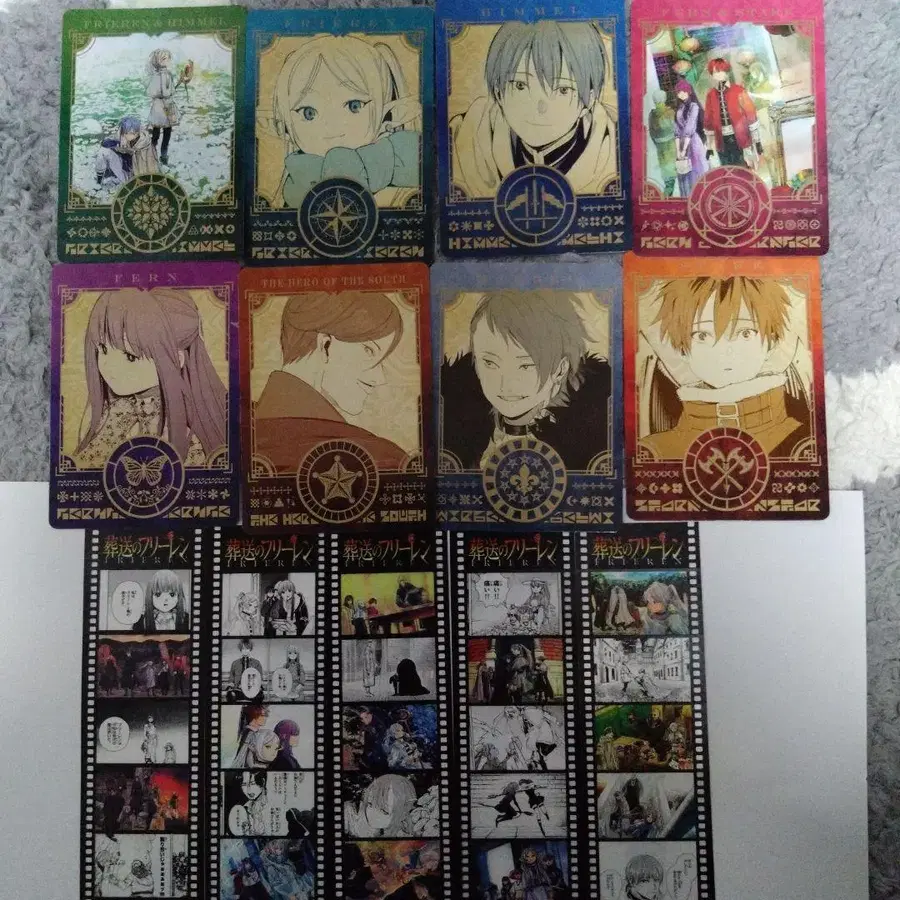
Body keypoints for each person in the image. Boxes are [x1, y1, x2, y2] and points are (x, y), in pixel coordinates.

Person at [639, 276, 811, 460]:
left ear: (772, 342)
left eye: (745, 333)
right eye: (702, 335)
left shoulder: (803, 443)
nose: (724, 351)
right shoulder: (653, 451)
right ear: (681, 349)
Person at [441, 290, 610, 471]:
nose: (505, 384)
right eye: (490, 363)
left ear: (560, 369)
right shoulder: (454, 431)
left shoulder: (595, 439)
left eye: (526, 365)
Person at [451, 21, 616, 198]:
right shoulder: (465, 133)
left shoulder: (613, 144)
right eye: (520, 85)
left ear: (588, 101)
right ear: (498, 92)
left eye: (562, 90)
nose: (540, 108)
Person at [254, 290, 410, 474]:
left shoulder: (236, 435)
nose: (379, 379)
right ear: (325, 345)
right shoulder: (382, 460)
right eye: (369, 351)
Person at [73, 288, 227, 468]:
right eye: (103, 349)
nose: (109, 366)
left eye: (130, 357)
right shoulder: (109, 410)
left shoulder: (184, 431)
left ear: (176, 359)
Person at [272, 35, 421, 209]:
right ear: (286, 126)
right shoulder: (295, 188)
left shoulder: (408, 165)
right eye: (309, 113)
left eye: (354, 106)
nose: (331, 126)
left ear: (389, 116)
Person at [703, 58, 763, 169]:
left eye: (721, 71)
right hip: (722, 141)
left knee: (744, 168)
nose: (719, 75)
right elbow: (708, 121)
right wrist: (709, 147)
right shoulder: (711, 95)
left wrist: (757, 141)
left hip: (741, 138)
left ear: (727, 72)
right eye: (715, 72)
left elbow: (751, 116)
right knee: (727, 170)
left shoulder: (738, 90)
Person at [344, 773, 419, 838]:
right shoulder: (348, 812)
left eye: (384, 811)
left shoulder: (403, 829)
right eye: (370, 804)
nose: (372, 813)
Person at [95, 115, 158, 187]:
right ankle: (99, 181)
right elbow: (106, 143)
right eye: (124, 132)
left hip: (135, 177)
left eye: (127, 133)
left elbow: (152, 169)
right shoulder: (125, 136)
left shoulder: (146, 147)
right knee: (103, 151)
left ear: (136, 133)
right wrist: (118, 144)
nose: (124, 135)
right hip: (125, 168)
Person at [673, 79, 707, 196]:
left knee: (696, 170)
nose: (681, 94)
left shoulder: (694, 106)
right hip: (683, 143)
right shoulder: (679, 108)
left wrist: (683, 150)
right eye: (678, 92)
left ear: (688, 91)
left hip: (693, 143)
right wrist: (679, 151)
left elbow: (690, 128)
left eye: (683, 91)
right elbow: (677, 131)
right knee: (684, 171)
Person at [146, 49, 179, 165]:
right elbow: (163, 92)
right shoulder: (162, 75)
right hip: (163, 107)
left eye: (168, 58)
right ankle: (158, 155)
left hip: (162, 107)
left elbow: (170, 90)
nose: (168, 60)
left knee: (162, 132)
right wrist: (166, 94)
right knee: (161, 132)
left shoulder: (163, 75)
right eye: (164, 58)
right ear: (158, 61)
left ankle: (158, 155)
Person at [647, 90, 676, 197]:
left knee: (664, 165)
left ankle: (668, 187)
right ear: (664, 99)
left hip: (659, 144)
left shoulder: (651, 114)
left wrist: (657, 143)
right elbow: (676, 129)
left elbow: (651, 132)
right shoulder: (670, 112)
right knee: (672, 165)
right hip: (671, 143)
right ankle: (670, 188)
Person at [232, 704, 272, 768]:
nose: (265, 718)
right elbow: (246, 758)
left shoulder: (252, 732)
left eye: (266, 715)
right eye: (262, 715)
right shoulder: (251, 733)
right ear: (253, 716)